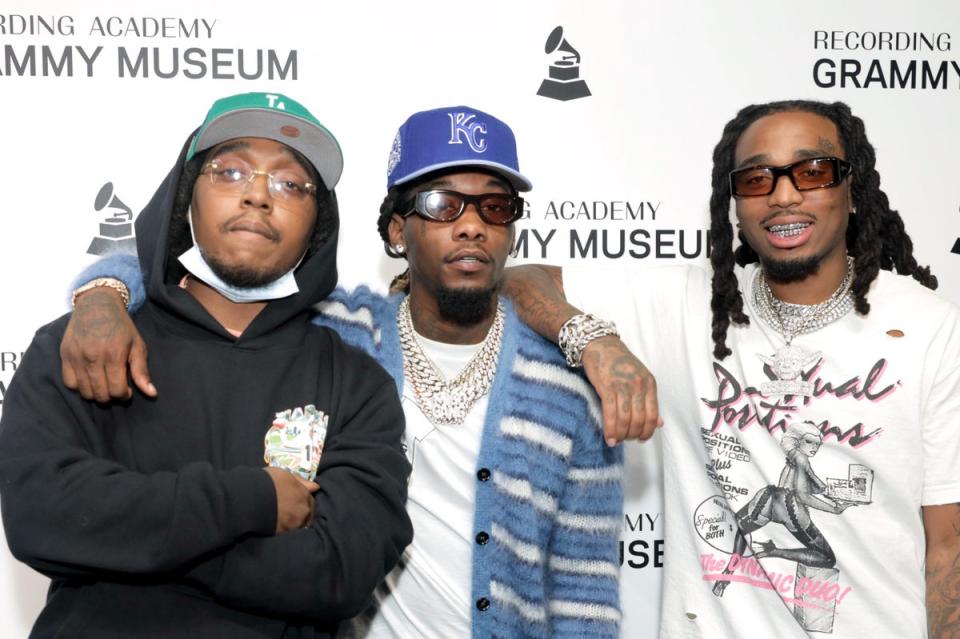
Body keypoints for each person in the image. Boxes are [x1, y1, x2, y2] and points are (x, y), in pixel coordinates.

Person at [58, 106, 624, 638]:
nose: (471, 226)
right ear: (398, 232)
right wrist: (103, 295)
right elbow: (213, 266)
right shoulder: (341, 332)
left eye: (495, 207)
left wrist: (585, 334)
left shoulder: (568, 384)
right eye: (440, 204)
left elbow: (584, 587)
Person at [502, 99, 960, 638]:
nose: (784, 195)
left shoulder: (930, 328)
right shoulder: (690, 306)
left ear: (852, 190)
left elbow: (948, 545)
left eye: (812, 172)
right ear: (734, 203)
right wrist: (594, 339)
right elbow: (517, 281)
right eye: (757, 178)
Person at [0, 92, 412, 638]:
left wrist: (133, 544)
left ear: (318, 226)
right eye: (231, 171)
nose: (258, 196)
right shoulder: (84, 345)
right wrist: (255, 502)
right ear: (185, 201)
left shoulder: (357, 384)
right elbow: (42, 517)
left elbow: (339, 571)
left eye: (291, 184)